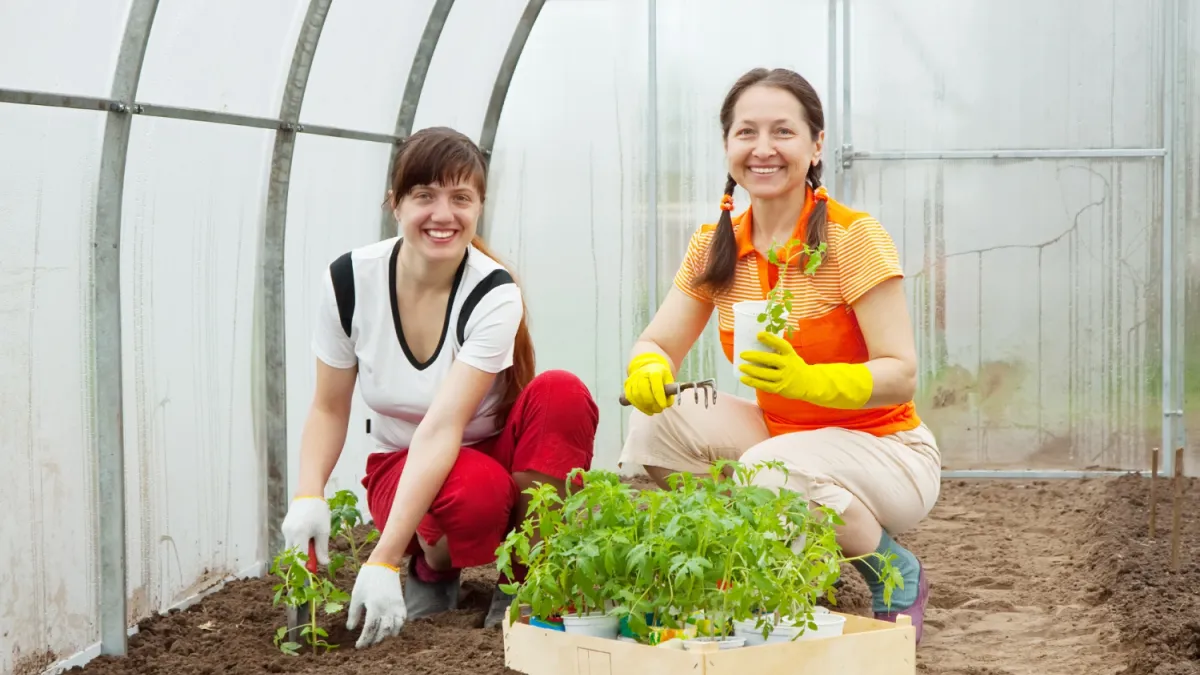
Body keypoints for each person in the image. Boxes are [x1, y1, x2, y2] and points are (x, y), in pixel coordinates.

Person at [618, 68, 940, 644]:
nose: (763, 149)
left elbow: (901, 374)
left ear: (816, 146)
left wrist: (809, 380)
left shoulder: (852, 238)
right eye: (746, 133)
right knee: (653, 426)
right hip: (781, 437)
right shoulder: (717, 244)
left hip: (888, 452)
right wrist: (648, 365)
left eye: (783, 132)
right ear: (727, 147)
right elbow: (659, 342)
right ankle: (754, 555)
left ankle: (892, 568)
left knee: (769, 469)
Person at [279, 126, 600, 649]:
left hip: (482, 444)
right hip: (402, 461)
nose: (443, 215)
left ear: (479, 206)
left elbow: (446, 424)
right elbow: (329, 406)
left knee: (560, 392)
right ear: (395, 203)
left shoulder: (492, 292)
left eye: (460, 198)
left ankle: (527, 579)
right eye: (424, 195)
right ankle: (431, 564)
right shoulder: (349, 281)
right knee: (475, 492)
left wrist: (380, 558)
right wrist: (309, 492)